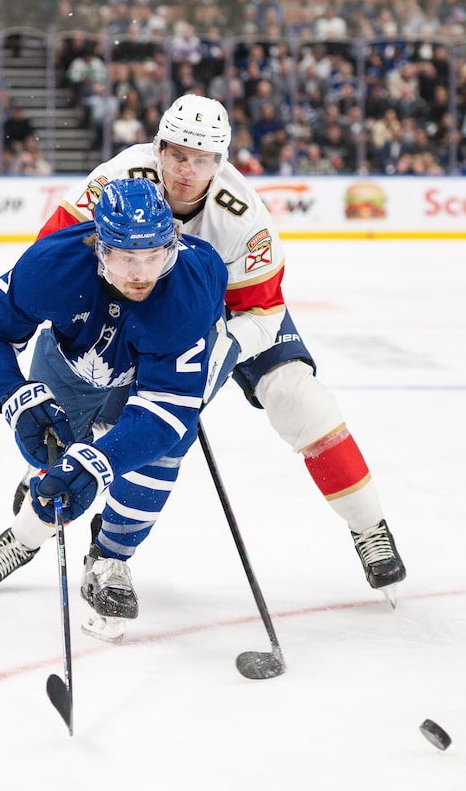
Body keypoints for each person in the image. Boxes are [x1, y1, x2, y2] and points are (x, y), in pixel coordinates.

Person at [35, 94, 407, 599]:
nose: (187, 171)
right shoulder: (116, 180)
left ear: (221, 162)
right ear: (158, 149)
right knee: (122, 420)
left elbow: (264, 312)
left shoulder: (243, 217)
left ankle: (369, 527)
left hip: (233, 314)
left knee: (297, 396)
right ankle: (44, 516)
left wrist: (218, 349)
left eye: (202, 159)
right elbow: (52, 254)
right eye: (178, 155)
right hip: (139, 303)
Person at [0, 178, 234, 641]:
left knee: (163, 449)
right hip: (73, 357)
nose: (141, 274)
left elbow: (167, 409)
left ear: (172, 246)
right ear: (99, 248)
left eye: (154, 256)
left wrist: (101, 462)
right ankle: (24, 538)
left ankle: (110, 557)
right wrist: (15, 398)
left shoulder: (189, 285)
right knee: (52, 452)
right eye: (126, 258)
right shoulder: (52, 265)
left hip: (154, 364)